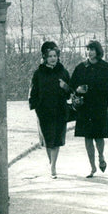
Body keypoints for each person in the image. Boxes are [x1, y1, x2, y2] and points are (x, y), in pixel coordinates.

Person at [70, 40, 108, 178]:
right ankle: (92, 166)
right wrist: (77, 89)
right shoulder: (80, 67)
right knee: (87, 137)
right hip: (84, 107)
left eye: (92, 49)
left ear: (98, 51)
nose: (90, 52)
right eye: (88, 49)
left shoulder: (106, 67)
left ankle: (101, 156)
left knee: (98, 136)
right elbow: (72, 86)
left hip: (99, 106)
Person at [28, 41, 72, 179]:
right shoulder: (39, 73)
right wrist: (35, 105)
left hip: (60, 109)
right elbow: (33, 91)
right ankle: (51, 162)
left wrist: (65, 87)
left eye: (55, 55)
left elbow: (70, 91)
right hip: (44, 111)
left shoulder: (63, 72)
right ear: (45, 57)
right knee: (48, 139)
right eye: (50, 56)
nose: (53, 58)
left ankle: (53, 166)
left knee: (57, 138)